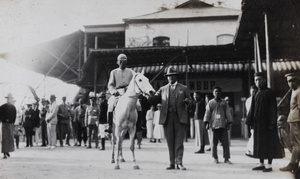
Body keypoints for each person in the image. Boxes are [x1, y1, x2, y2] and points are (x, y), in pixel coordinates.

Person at [149, 66, 192, 170]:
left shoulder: (184, 88)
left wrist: (188, 102)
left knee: (179, 141)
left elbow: (191, 101)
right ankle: (172, 163)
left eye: (172, 76)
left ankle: (179, 162)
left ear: (176, 76)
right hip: (167, 117)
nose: (170, 78)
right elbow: (154, 98)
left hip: (179, 117)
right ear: (167, 77)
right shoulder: (163, 89)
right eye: (169, 76)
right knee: (170, 141)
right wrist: (148, 95)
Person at [246, 72, 284, 172]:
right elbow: (252, 109)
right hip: (258, 124)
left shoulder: (270, 92)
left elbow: (273, 109)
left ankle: (269, 165)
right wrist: (250, 122)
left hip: (267, 124)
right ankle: (261, 163)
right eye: (256, 80)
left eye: (259, 80)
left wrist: (272, 123)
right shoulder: (256, 93)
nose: (258, 82)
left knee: (269, 144)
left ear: (264, 80)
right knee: (259, 144)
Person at [105, 54, 142, 134]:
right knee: (111, 105)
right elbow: (110, 85)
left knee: (138, 105)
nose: (123, 63)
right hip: (118, 92)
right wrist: (113, 91)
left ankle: (139, 125)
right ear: (118, 62)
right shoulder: (113, 72)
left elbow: (136, 81)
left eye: (124, 62)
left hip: (129, 92)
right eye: (121, 61)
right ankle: (109, 125)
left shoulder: (131, 72)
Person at [204, 87, 233, 164]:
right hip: (213, 125)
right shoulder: (210, 103)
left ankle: (226, 158)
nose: (217, 93)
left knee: (225, 143)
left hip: (223, 125)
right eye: (216, 92)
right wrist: (206, 123)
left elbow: (228, 112)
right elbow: (207, 113)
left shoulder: (224, 102)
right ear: (213, 93)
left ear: (221, 93)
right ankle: (215, 157)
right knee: (213, 143)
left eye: (219, 92)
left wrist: (229, 122)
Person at [280, 73, 300, 173]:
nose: (290, 83)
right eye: (288, 81)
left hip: (296, 120)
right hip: (292, 119)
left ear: (297, 80)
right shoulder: (293, 91)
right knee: (293, 143)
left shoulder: (298, 91)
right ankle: (295, 164)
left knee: (296, 144)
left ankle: (293, 164)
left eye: (293, 80)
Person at [0, 93, 17, 159]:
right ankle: (4, 152)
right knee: (4, 138)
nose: (9, 100)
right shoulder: (3, 107)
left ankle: (7, 151)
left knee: (10, 138)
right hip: (4, 124)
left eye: (10, 98)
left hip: (10, 124)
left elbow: (14, 116)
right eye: (8, 98)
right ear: (7, 99)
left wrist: (12, 122)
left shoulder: (13, 107)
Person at [245, 85, 258, 157]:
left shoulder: (258, 98)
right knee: (253, 134)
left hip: (258, 120)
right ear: (250, 92)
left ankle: (253, 150)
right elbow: (250, 111)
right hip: (252, 120)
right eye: (253, 91)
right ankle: (249, 150)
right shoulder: (249, 100)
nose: (254, 93)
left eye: (255, 91)